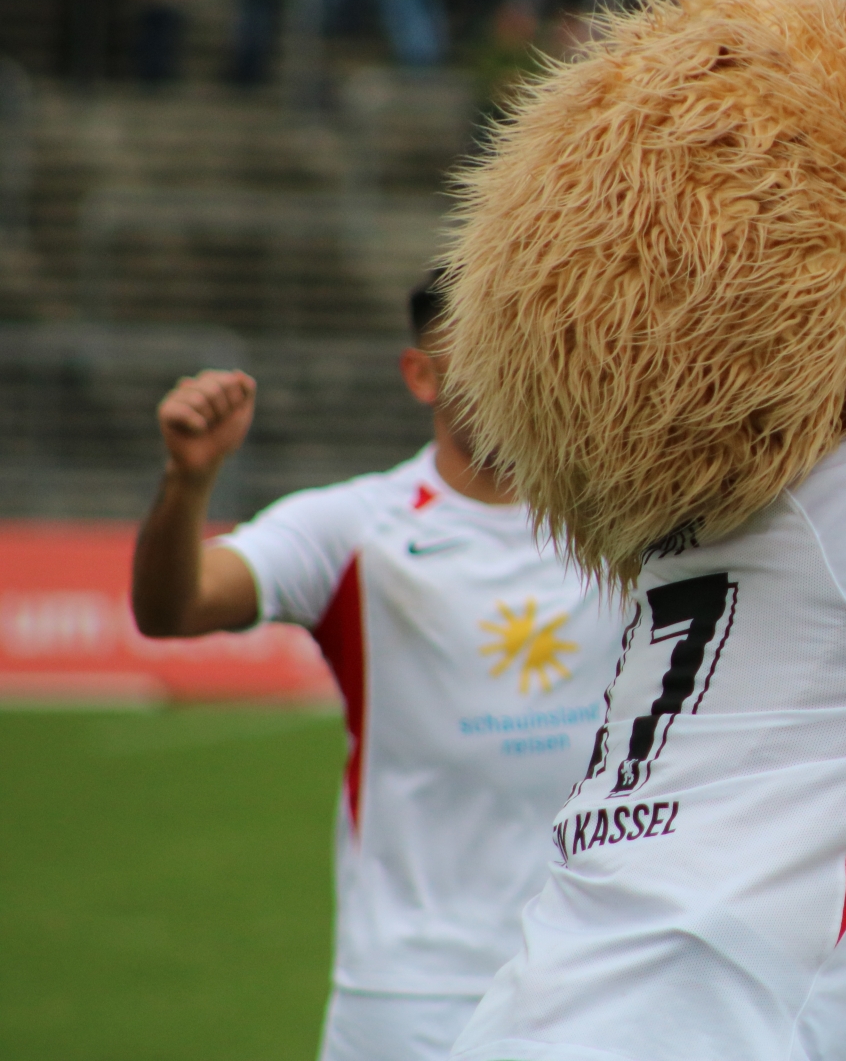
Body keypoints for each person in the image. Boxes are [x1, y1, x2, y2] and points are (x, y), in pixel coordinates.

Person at [130, 271, 629, 1061]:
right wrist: (186, 482)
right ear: (420, 375)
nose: (506, 374)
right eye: (477, 354)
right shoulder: (353, 527)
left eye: (521, 349)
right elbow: (174, 608)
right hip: (411, 989)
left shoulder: (624, 520)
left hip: (594, 968)